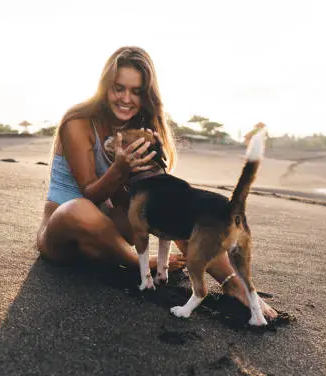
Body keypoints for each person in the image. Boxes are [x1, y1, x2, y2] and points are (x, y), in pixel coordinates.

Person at [35, 46, 277, 320]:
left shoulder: (141, 129)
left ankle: (234, 285)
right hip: (64, 233)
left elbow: (132, 202)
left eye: (136, 91)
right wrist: (120, 169)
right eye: (118, 88)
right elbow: (89, 194)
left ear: (146, 94)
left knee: (174, 207)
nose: (126, 98)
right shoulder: (78, 122)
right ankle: (138, 263)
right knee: (78, 209)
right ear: (105, 87)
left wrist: (230, 278)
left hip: (108, 239)